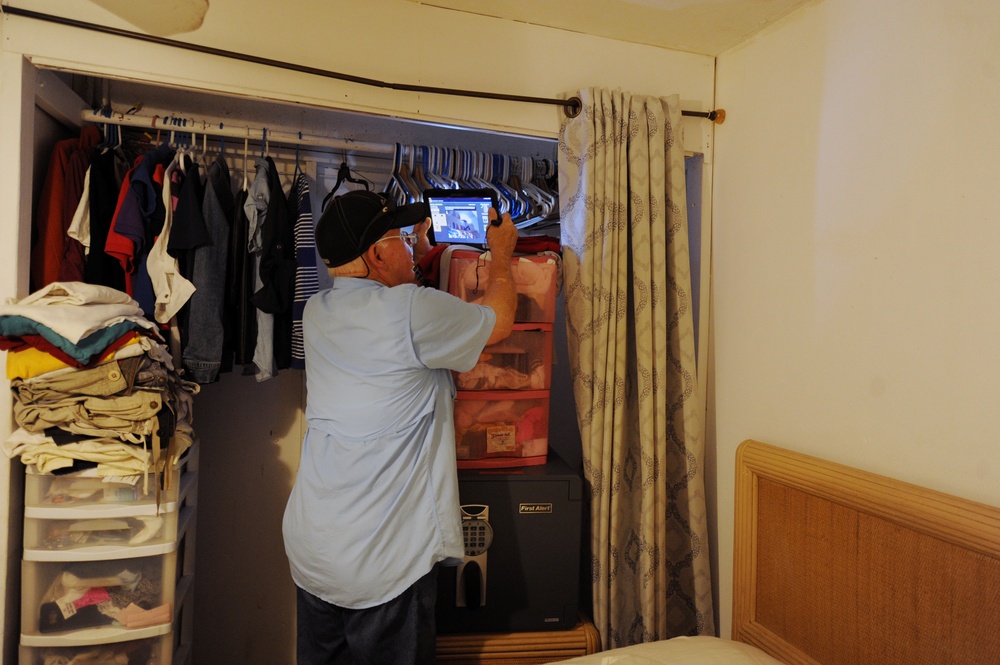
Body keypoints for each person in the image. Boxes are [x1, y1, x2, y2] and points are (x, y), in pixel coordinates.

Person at [282, 189, 518, 664]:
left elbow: (395, 331)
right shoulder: (410, 309)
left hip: (315, 551)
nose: (410, 245)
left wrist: (418, 255)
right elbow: (500, 322)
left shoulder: (316, 312)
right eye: (400, 239)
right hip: (381, 562)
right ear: (375, 254)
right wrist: (502, 258)